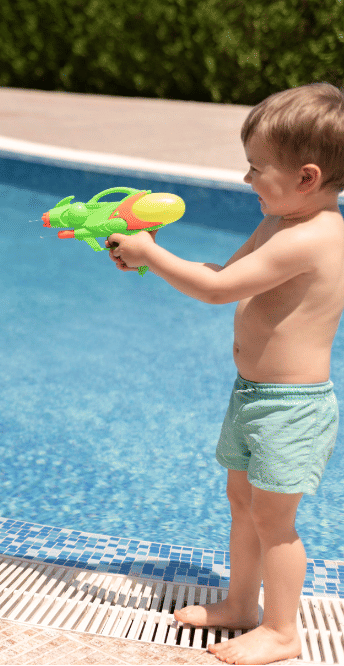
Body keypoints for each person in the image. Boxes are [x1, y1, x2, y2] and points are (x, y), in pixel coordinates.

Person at [108, 83, 344, 665]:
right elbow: (221, 272)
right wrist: (155, 252)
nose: (245, 180)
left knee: (275, 520)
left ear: (307, 178)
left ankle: (283, 632)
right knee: (243, 504)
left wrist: (150, 257)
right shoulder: (282, 224)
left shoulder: (314, 237)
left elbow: (214, 292)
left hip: (291, 407)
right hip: (254, 396)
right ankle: (241, 605)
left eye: (256, 169)